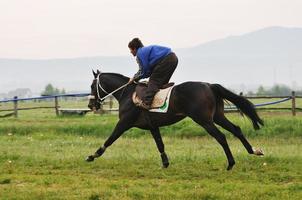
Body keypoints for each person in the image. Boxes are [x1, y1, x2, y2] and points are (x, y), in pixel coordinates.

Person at [128, 38, 178, 109]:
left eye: (130, 49)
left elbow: (144, 71)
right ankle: (163, 88)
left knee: (153, 81)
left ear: (135, 49)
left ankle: (147, 103)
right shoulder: (144, 51)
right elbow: (147, 72)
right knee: (158, 81)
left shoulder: (140, 53)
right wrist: (137, 77)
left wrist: (134, 78)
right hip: (173, 58)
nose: (130, 52)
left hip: (167, 59)